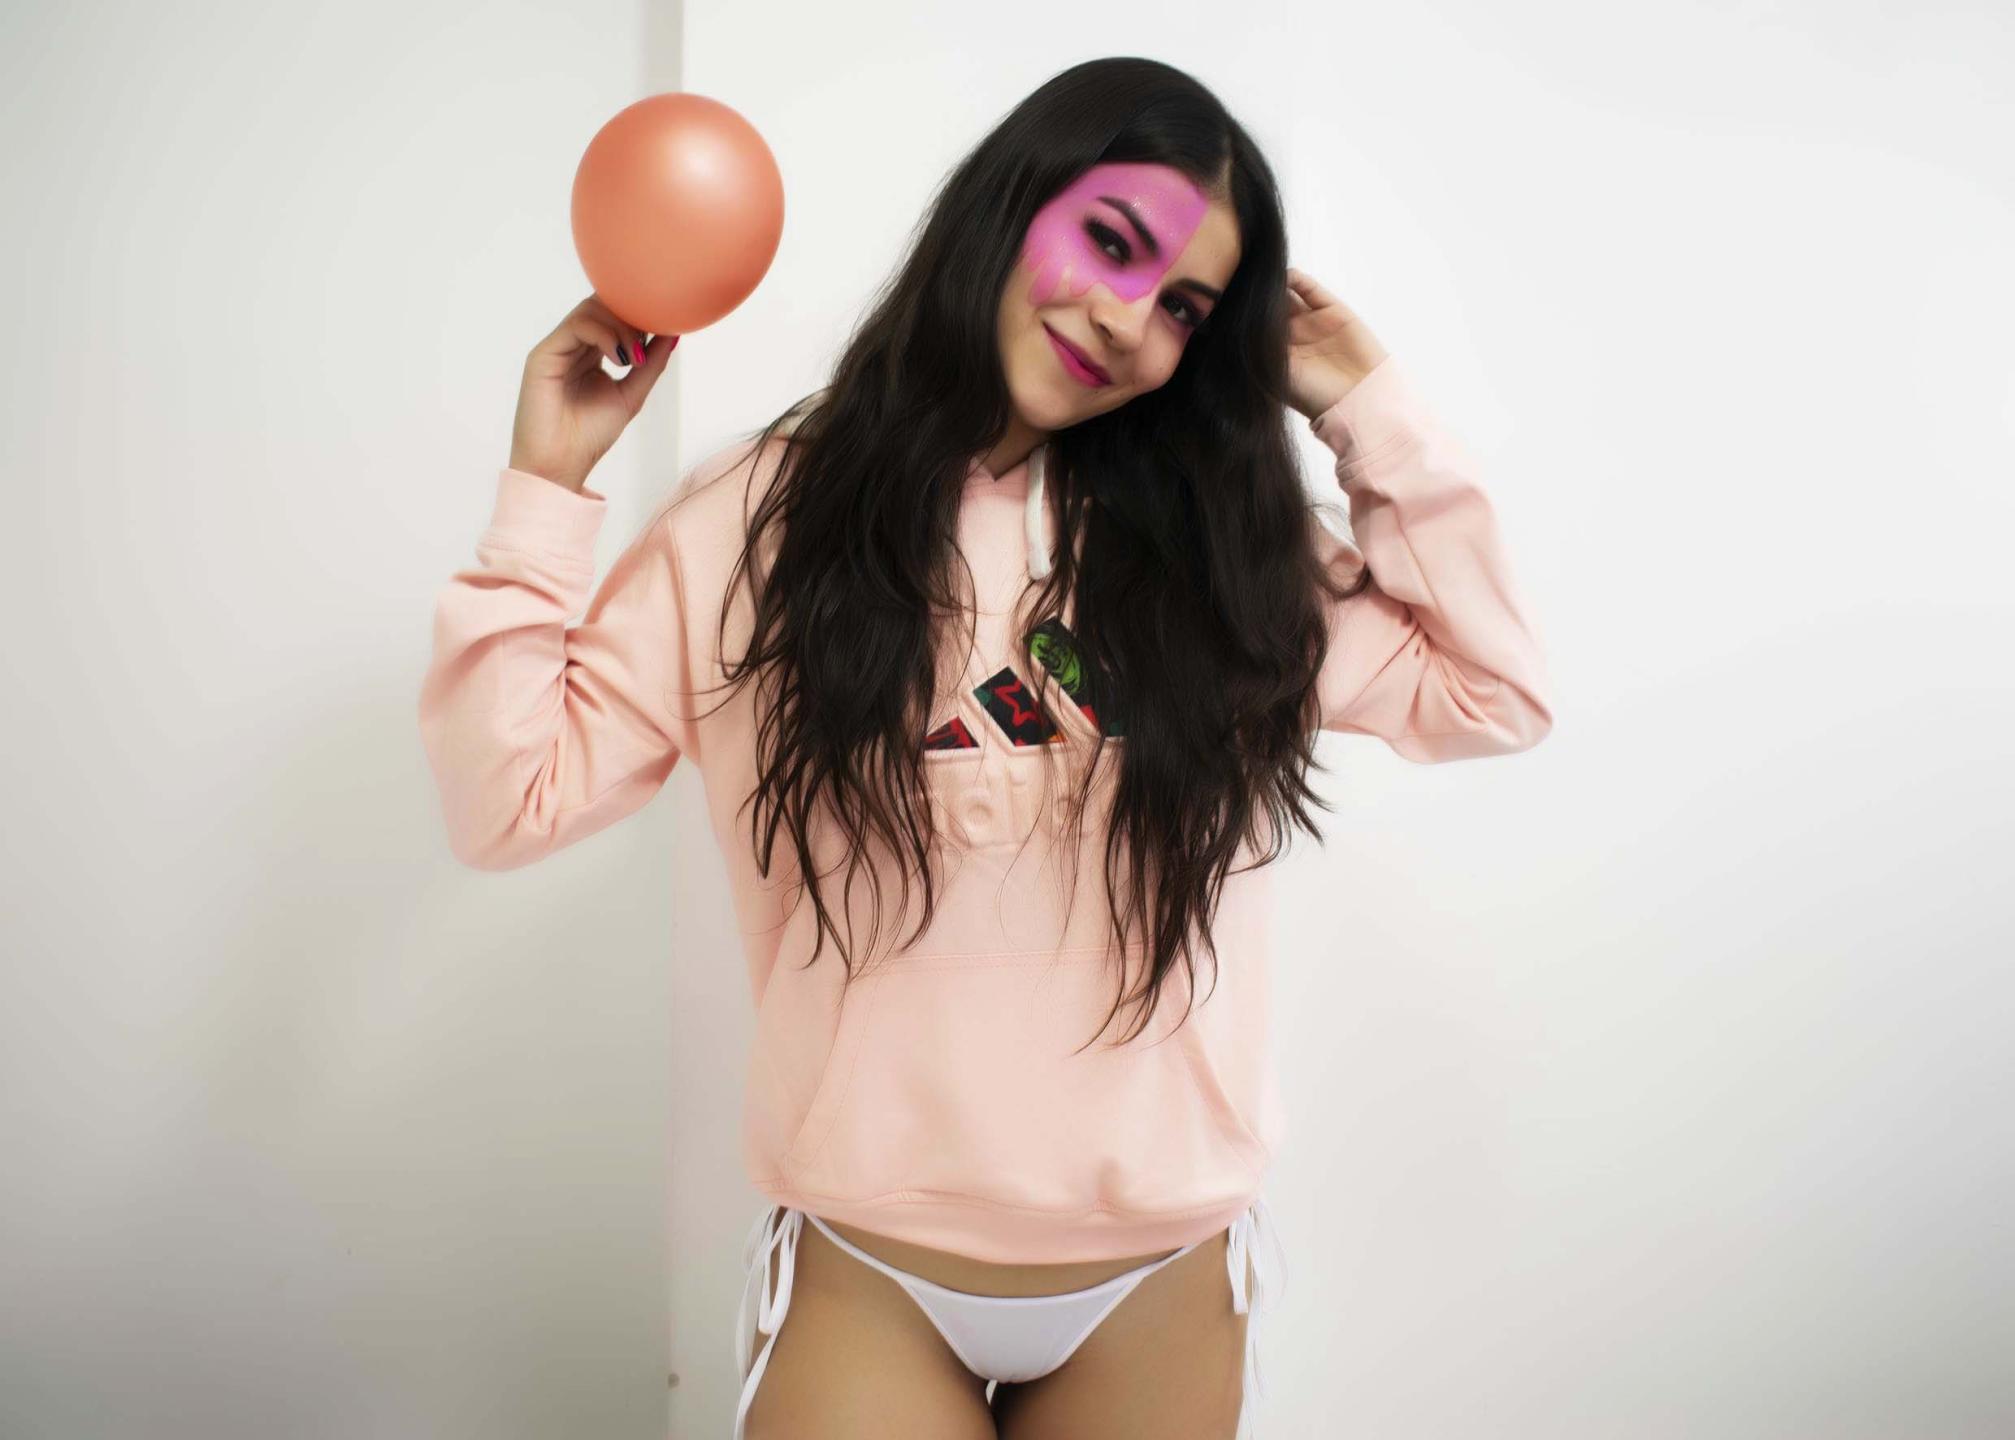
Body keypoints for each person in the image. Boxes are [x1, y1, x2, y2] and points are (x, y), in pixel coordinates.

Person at [418, 55, 1553, 1440]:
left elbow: (1493, 691)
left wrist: (1367, 408)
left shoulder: (1222, 554)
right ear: (1011, 207)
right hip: (871, 1272)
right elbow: (510, 803)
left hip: (1159, 1277)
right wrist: (546, 487)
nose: (1128, 320)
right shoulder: (757, 525)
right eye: (1113, 243)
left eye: (1183, 308)